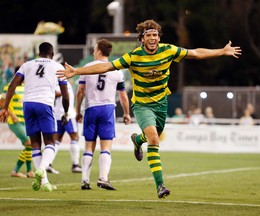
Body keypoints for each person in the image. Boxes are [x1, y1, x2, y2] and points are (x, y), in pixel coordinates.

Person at [57, 19, 241, 198]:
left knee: (152, 137)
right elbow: (106, 66)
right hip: (142, 105)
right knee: (154, 139)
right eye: (148, 35)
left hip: (161, 104)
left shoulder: (169, 50)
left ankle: (137, 140)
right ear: (142, 39)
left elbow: (196, 53)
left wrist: (221, 51)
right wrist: (77, 71)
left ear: (159, 38)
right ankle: (160, 185)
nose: (152, 38)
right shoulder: (134, 57)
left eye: (155, 34)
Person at [0, 42, 69, 192]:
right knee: (51, 141)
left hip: (28, 104)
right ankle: (43, 168)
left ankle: (43, 183)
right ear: (51, 53)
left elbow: (13, 85)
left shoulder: (27, 65)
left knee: (35, 143)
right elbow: (65, 94)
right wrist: (66, 111)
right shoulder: (57, 66)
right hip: (44, 104)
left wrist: (5, 108)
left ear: (39, 53)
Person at [75, 39, 131, 191]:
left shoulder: (86, 68)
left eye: (94, 50)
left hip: (91, 108)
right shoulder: (117, 70)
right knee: (106, 146)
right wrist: (126, 113)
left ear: (99, 51)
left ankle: (85, 180)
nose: (93, 52)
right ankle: (103, 178)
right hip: (107, 109)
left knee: (89, 147)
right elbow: (123, 95)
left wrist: (77, 111)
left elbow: (80, 91)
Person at [0, 67, 35, 178]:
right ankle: (19, 170)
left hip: (25, 121)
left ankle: (27, 171)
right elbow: (1, 100)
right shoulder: (10, 87)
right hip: (15, 121)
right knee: (29, 143)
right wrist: (11, 113)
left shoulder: (26, 88)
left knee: (29, 145)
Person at [46, 81, 82, 174]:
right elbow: (55, 93)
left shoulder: (56, 82)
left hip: (58, 114)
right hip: (67, 115)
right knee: (74, 137)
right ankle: (75, 164)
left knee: (57, 139)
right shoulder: (60, 83)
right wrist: (63, 92)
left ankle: (48, 163)